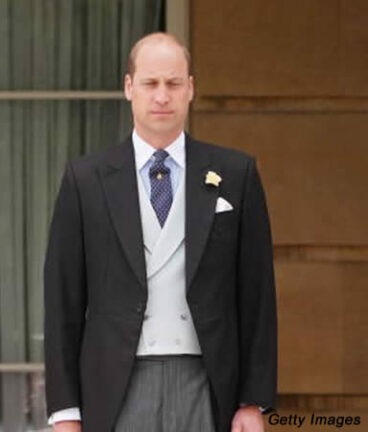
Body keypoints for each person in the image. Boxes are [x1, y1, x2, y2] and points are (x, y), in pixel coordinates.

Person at [43, 32, 277, 432]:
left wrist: (252, 400)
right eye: (150, 83)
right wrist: (65, 412)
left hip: (208, 383)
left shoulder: (236, 174)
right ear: (129, 87)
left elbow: (257, 294)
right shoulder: (85, 179)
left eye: (173, 83)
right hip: (116, 386)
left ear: (191, 89)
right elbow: (62, 299)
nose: (162, 96)